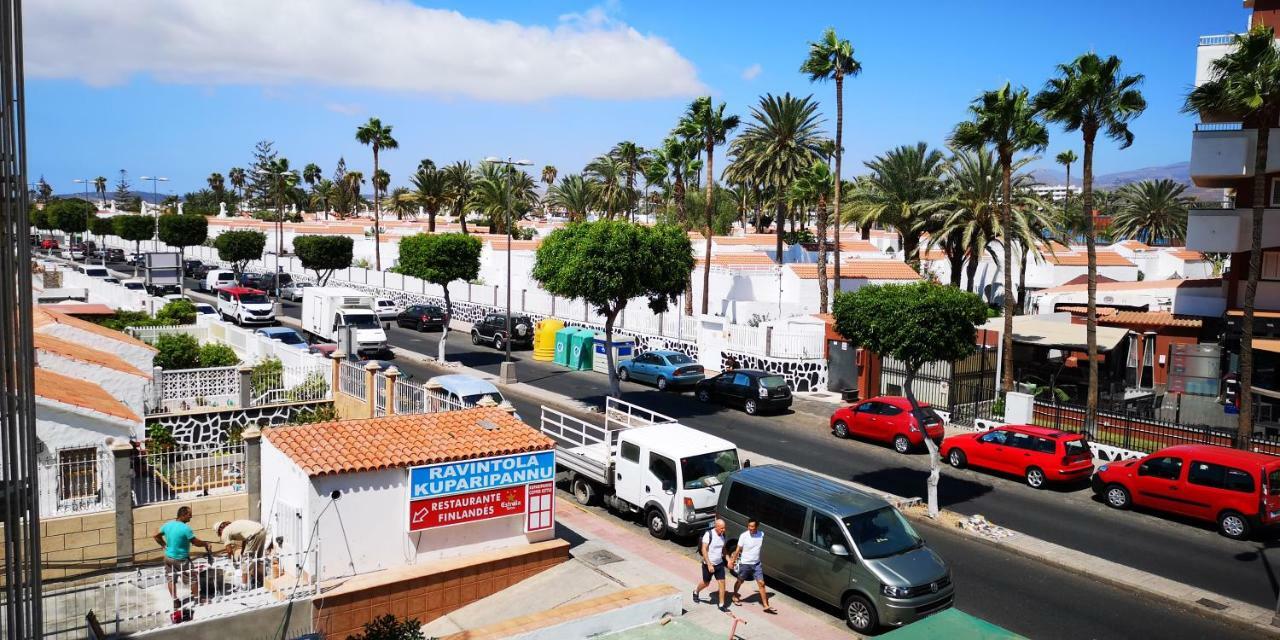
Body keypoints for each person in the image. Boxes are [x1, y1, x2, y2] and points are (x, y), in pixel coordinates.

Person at [154, 506, 211, 603]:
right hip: (181, 559)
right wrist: (205, 544)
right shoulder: (185, 528)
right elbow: (195, 542)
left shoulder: (168, 525)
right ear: (183, 515)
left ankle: (175, 601)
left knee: (171, 579)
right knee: (193, 579)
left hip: (168, 557)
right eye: (189, 515)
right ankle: (198, 599)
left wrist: (163, 545)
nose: (191, 517)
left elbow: (156, 536)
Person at [728, 518, 776, 614]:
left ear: (757, 527)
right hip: (745, 563)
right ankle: (734, 595)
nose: (750, 528)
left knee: (761, 583)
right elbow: (737, 550)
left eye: (752, 526)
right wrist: (732, 561)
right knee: (740, 581)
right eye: (749, 526)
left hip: (756, 564)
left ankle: (765, 605)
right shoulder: (744, 536)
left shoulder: (761, 534)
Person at [214, 519, 269, 588]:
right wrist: (242, 552)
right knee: (258, 558)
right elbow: (244, 540)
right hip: (262, 531)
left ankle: (244, 586)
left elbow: (229, 551)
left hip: (254, 536)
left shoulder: (225, 532)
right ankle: (262, 581)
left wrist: (232, 560)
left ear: (220, 530)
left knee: (245, 562)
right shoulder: (233, 525)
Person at [693, 519, 729, 609]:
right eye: (721, 528)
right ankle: (696, 591)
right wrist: (709, 564)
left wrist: (728, 559)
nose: (723, 530)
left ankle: (721, 604)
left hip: (719, 564)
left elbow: (723, 549)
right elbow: (704, 549)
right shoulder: (709, 534)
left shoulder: (723, 535)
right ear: (716, 527)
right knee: (706, 583)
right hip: (708, 564)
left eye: (724, 528)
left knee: (722, 582)